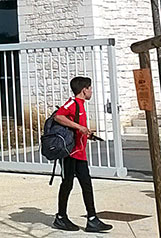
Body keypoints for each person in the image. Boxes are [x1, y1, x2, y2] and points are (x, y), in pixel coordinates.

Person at [51, 76, 113, 233]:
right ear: (84, 90)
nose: (91, 91)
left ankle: (92, 219)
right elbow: (58, 116)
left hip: (79, 152)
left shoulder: (81, 105)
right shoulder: (72, 103)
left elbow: (77, 127)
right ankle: (60, 217)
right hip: (70, 153)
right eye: (90, 88)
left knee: (86, 184)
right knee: (67, 184)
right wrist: (79, 127)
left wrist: (86, 133)